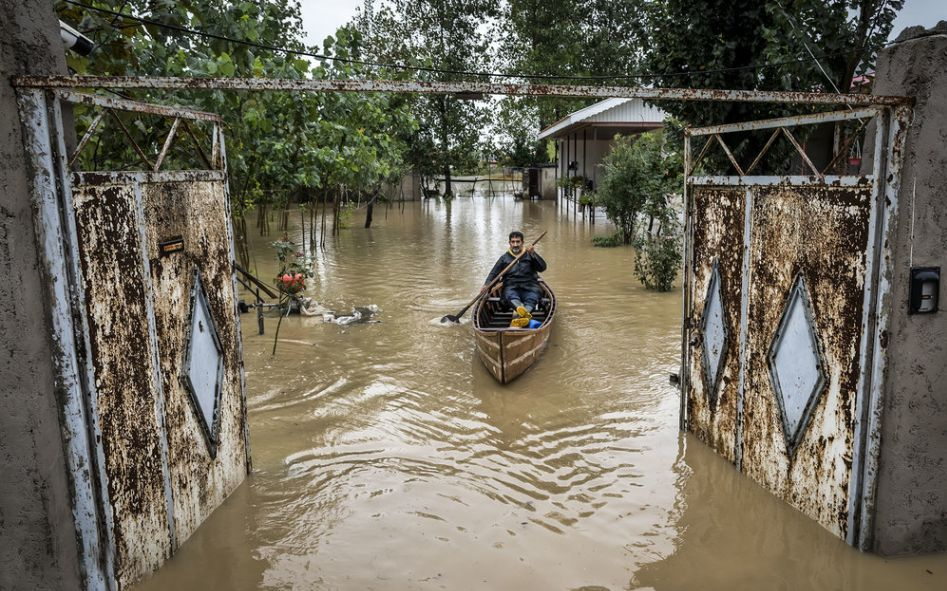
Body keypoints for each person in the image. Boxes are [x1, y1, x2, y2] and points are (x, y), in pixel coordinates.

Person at [481, 231, 547, 328]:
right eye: (513, 242)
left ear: (522, 242)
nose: (515, 245)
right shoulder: (504, 258)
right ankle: (522, 312)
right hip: (511, 287)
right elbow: (493, 273)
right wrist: (486, 285)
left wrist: (533, 254)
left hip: (530, 286)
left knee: (532, 297)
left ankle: (523, 315)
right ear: (509, 243)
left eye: (518, 242)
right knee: (510, 295)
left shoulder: (529, 254)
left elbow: (542, 268)